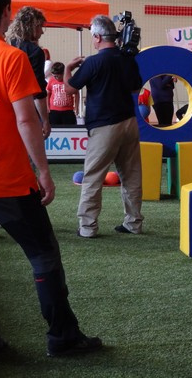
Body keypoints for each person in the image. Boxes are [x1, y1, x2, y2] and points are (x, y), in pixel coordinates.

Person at [0, 0, 102, 358]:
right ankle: (63, 337)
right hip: (7, 180)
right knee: (43, 255)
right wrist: (43, 172)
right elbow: (26, 120)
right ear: (6, 13)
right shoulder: (11, 57)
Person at [63, 15, 144, 237]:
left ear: (97, 37)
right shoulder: (127, 59)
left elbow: (70, 89)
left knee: (93, 176)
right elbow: (135, 89)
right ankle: (134, 223)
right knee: (131, 176)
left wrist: (68, 68)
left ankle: (88, 227)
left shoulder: (93, 62)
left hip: (104, 127)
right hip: (129, 122)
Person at [7, 5, 51, 139]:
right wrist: (45, 120)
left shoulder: (5, 45)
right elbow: (38, 91)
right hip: (26, 111)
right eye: (40, 27)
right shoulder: (35, 52)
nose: (42, 32)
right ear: (32, 27)